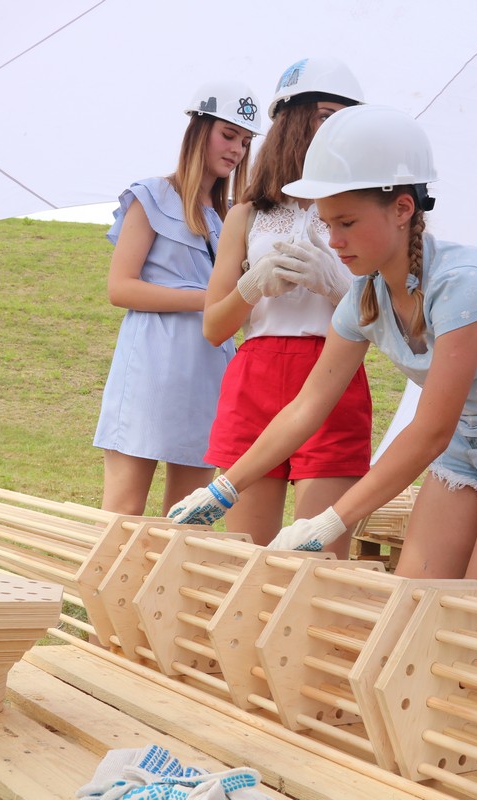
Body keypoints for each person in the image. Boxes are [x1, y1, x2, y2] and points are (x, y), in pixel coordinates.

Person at [171, 104, 477, 597]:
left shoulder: (461, 283)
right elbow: (306, 408)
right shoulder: (362, 299)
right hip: (470, 429)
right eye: (328, 224)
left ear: (401, 209)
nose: (334, 241)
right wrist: (223, 489)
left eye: (347, 223)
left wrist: (332, 520)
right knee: (411, 604)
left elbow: (431, 430)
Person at [183, 57, 370, 556]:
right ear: (291, 119)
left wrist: (337, 287)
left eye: (345, 119)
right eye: (326, 115)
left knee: (319, 558)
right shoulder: (245, 214)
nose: (336, 130)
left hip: (332, 372)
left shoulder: (365, 208)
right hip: (256, 376)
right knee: (247, 557)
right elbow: (213, 328)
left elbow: (391, 314)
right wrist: (251, 287)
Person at [93, 79, 262, 515]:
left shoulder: (236, 215)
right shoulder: (151, 196)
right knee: (122, 512)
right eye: (228, 135)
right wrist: (210, 299)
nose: (236, 150)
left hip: (209, 365)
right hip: (151, 360)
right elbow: (120, 287)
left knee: (188, 517)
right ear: (198, 130)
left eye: (244, 142)